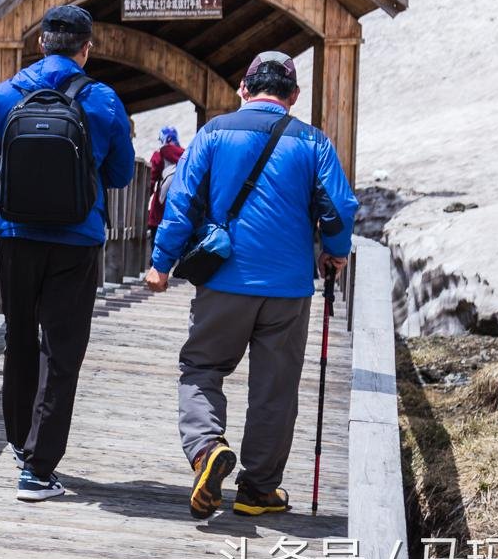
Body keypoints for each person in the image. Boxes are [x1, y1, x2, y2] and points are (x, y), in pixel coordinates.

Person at [145, 50, 358, 520]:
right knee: (275, 388)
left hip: (222, 279)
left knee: (202, 366)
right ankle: (258, 490)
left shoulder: (214, 133)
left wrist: (161, 263)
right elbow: (339, 207)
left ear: (243, 88)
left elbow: (181, 199)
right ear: (294, 96)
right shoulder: (313, 141)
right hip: (288, 288)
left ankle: (206, 449)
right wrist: (335, 250)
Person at [0, 4, 135, 502]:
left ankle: (19, 444)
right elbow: (124, 175)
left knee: (19, 338)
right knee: (62, 353)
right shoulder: (102, 100)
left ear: (40, 43)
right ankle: (39, 469)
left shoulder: (7, 94)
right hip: (77, 242)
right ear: (86, 49)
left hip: (17, 236)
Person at [146, 125, 184, 235]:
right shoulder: (186, 154)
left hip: (160, 212)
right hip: (179, 210)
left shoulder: (159, 154)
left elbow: (151, 180)